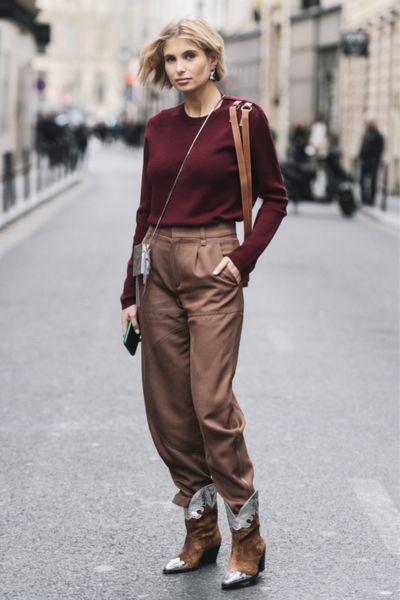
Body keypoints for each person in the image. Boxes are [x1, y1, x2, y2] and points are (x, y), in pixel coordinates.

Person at [120, 16, 288, 591]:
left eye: (189, 56)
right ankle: (201, 529)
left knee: (210, 402)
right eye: (171, 60)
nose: (180, 67)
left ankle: (248, 532)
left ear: (212, 59)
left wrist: (242, 258)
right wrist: (129, 293)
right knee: (168, 409)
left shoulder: (243, 120)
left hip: (213, 258)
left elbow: (275, 197)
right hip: (156, 265)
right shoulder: (159, 127)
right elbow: (145, 213)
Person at [358, 112, 384, 206]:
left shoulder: (378, 135)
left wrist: (376, 159)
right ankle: (364, 199)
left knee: (373, 181)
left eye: (369, 122)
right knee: (361, 181)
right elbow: (362, 147)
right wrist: (360, 156)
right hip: (365, 160)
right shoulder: (366, 133)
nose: (368, 123)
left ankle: (371, 200)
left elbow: (380, 149)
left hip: (373, 161)